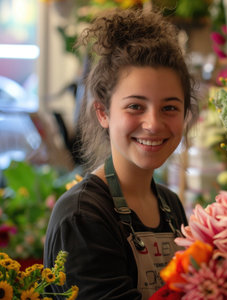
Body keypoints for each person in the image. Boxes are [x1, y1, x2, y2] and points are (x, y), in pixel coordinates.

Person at [44, 7, 198, 300]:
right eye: (135, 106)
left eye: (169, 108)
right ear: (103, 112)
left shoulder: (171, 205)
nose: (153, 124)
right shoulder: (82, 215)